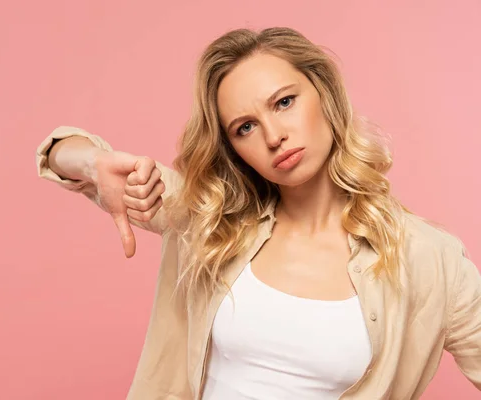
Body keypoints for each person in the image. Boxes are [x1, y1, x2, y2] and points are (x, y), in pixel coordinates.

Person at [35, 27, 481, 400]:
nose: (273, 136)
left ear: (324, 94)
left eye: (284, 102)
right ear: (234, 149)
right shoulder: (211, 219)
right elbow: (60, 153)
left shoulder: (430, 260)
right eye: (244, 127)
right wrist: (92, 162)